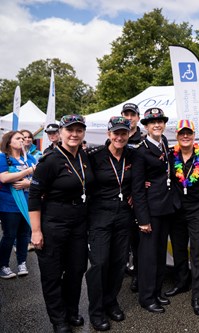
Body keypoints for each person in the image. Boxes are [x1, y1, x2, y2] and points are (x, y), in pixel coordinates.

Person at [29, 114, 94, 333]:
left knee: (76, 270)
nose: (74, 134)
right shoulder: (50, 160)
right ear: (61, 133)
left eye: (79, 130)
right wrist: (36, 231)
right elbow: (35, 196)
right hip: (54, 222)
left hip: (78, 222)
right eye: (70, 130)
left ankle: (71, 311)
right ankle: (58, 320)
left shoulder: (84, 156)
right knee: (52, 274)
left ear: (83, 132)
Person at [85, 116, 135, 331]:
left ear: (128, 134)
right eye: (116, 133)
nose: (120, 137)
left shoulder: (133, 155)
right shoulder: (94, 156)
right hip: (99, 216)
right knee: (99, 263)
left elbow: (145, 175)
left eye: (123, 133)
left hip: (124, 216)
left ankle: (111, 302)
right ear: (108, 134)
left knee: (118, 262)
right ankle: (96, 310)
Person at [164, 119, 199, 316]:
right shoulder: (170, 155)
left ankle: (197, 295)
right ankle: (181, 283)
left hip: (198, 210)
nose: (185, 136)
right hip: (176, 210)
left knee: (198, 252)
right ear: (177, 135)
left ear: (194, 135)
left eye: (189, 133)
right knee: (178, 249)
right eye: (182, 133)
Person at [131, 107, 180, 314]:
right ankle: (147, 297)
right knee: (148, 257)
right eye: (153, 123)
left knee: (160, 255)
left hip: (165, 208)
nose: (157, 125)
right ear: (146, 126)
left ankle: (157, 291)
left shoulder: (164, 143)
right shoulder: (141, 151)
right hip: (150, 211)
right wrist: (143, 219)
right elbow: (138, 187)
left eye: (160, 121)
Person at [0, 131, 36, 279]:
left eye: (24, 138)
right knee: (9, 235)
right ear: (9, 142)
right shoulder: (3, 158)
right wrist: (28, 171)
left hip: (28, 202)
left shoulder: (30, 158)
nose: (23, 140)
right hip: (9, 204)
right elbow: (4, 178)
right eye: (18, 138)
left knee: (24, 234)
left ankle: (22, 262)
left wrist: (29, 182)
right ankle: (3, 265)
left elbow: (39, 179)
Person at [120, 102, 143, 293]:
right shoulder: (117, 138)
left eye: (132, 115)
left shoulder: (143, 139)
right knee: (121, 242)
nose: (129, 118)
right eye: (126, 115)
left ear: (137, 117)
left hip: (138, 200)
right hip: (120, 199)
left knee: (137, 242)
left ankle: (137, 276)